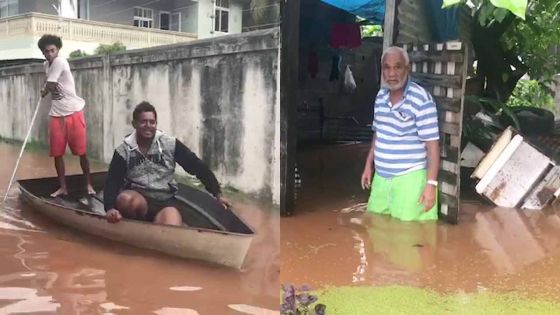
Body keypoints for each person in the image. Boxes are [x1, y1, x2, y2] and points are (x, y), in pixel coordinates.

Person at [103, 101, 230, 225]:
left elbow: (196, 166)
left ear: (156, 124)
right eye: (143, 121)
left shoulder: (170, 144)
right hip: (138, 197)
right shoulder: (123, 151)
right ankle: (136, 225)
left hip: (165, 201)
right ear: (134, 124)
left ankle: (157, 223)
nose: (148, 125)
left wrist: (217, 193)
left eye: (152, 122)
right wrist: (110, 208)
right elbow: (113, 180)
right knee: (125, 201)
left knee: (171, 226)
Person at [361, 46, 440, 221]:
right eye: (387, 68)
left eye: (397, 67)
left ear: (407, 68)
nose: (392, 73)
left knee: (409, 238)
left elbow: (432, 148)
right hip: (381, 178)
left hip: (410, 181)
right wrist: (369, 164)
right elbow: (379, 133)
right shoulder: (380, 97)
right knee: (376, 232)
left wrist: (431, 185)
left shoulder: (421, 99)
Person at [38, 34, 95, 197]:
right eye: (46, 52)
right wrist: (44, 89)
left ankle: (88, 185)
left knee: (82, 152)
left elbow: (51, 84)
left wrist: (44, 91)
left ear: (57, 50)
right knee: (57, 153)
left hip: (73, 112)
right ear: (43, 53)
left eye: (52, 50)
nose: (50, 54)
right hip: (56, 114)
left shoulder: (60, 61)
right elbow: (48, 80)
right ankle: (63, 187)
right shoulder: (46, 65)